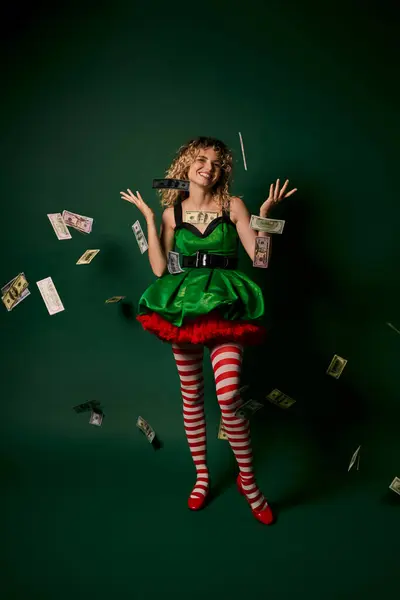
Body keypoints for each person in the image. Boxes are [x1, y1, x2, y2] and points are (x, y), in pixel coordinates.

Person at [120, 136, 297, 525]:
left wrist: (264, 214)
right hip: (182, 308)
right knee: (192, 396)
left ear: (223, 171)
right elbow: (158, 270)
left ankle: (248, 483)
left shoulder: (234, 206)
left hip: (226, 306)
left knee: (230, 394)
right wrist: (151, 220)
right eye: (200, 159)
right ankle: (202, 477)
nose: (208, 167)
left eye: (217, 163)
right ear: (185, 165)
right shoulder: (172, 214)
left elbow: (261, 261)